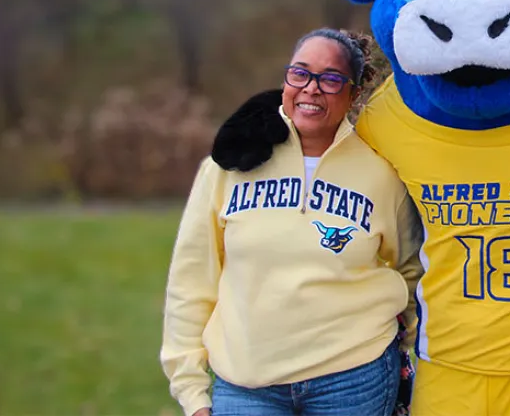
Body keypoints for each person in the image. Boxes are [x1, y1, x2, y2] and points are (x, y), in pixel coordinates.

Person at [160, 28, 423, 416]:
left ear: (353, 94)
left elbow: (413, 271)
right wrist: (191, 388)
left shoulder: (380, 173)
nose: (311, 88)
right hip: (248, 384)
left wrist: (419, 354)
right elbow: (191, 277)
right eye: (300, 73)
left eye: (330, 79)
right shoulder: (232, 164)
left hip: (353, 378)